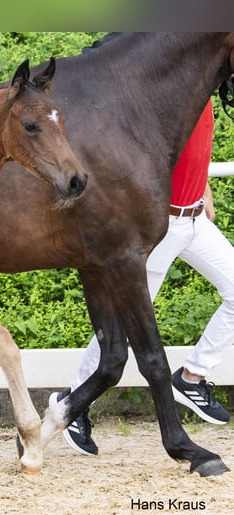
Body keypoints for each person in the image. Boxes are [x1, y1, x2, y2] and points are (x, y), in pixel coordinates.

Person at [51, 99, 232, 456]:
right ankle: (74, 401)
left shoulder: (206, 91)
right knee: (125, 316)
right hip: (163, 223)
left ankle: (192, 377)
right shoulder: (174, 88)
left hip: (195, 219)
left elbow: (195, 149)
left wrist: (203, 186)